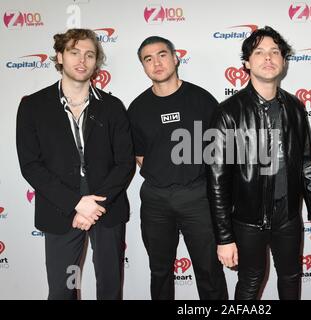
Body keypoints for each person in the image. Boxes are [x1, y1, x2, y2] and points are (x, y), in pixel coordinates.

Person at [207, 26, 311, 300]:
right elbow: (216, 181)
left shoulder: (295, 107)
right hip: (248, 220)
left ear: (283, 61)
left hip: (288, 217)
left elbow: (307, 162)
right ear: (247, 63)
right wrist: (224, 237)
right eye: (259, 52)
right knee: (250, 281)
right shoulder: (227, 113)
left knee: (291, 277)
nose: (268, 57)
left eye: (275, 51)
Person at [16, 28, 135, 300]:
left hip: (107, 210)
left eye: (89, 54)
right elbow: (31, 165)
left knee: (110, 288)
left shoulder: (113, 106)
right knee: (62, 290)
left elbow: (125, 162)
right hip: (60, 211)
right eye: (74, 52)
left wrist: (95, 205)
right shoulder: (33, 106)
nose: (82, 60)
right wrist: (76, 203)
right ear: (59, 56)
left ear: (96, 62)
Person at [127, 36, 228, 300]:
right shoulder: (137, 108)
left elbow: (219, 151)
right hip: (155, 199)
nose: (156, 63)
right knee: (159, 271)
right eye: (148, 59)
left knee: (208, 270)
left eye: (162, 55)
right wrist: (164, 174)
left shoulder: (202, 100)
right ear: (143, 67)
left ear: (175, 58)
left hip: (197, 196)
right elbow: (139, 156)